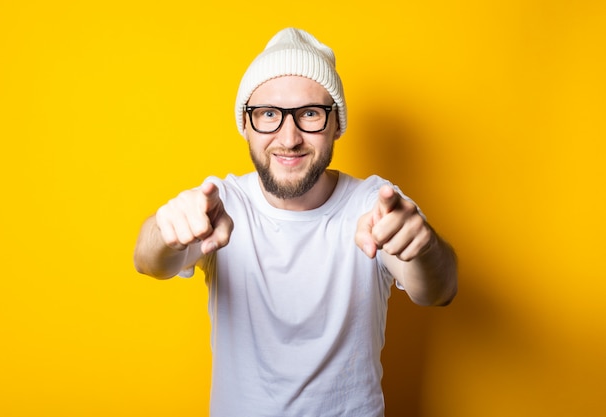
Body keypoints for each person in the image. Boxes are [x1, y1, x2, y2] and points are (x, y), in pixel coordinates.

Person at [134, 27, 457, 417]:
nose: (289, 138)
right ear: (246, 126)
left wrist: (423, 247)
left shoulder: (374, 204)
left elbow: (439, 289)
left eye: (309, 114)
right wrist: (166, 231)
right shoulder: (221, 203)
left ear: (336, 124)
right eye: (269, 114)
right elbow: (149, 261)